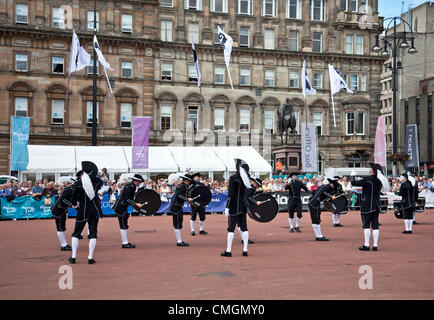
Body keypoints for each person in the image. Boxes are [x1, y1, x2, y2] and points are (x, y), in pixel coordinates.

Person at [69, 161, 104, 264]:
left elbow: (73, 199)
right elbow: (99, 186)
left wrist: (74, 203)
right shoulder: (97, 181)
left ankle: (73, 256)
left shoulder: (78, 183)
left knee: (76, 233)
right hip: (94, 210)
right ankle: (90, 257)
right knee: (93, 233)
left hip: (83, 210)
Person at [350, 163, 386, 251]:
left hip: (367, 204)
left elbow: (354, 183)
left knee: (366, 225)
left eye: (370, 168)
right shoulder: (379, 181)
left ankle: (366, 245)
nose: (369, 169)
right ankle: (375, 245)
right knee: (375, 225)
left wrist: (352, 175)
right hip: (376, 204)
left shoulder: (367, 179)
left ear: (373, 170)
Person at [221, 159, 251, 257]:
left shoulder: (234, 178)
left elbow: (230, 194)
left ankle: (228, 251)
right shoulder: (247, 178)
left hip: (234, 206)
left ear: (237, 168)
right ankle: (245, 250)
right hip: (243, 206)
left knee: (231, 229)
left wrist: (227, 207)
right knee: (244, 227)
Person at [112, 174, 145, 248]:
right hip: (120, 207)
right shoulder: (130, 186)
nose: (139, 183)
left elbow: (129, 198)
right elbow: (126, 199)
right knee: (123, 224)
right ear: (135, 180)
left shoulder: (131, 186)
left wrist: (135, 204)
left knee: (125, 224)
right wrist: (136, 204)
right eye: (139, 181)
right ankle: (124, 243)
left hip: (123, 207)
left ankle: (125, 242)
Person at [51, 177, 76, 251]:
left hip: (62, 210)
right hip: (58, 210)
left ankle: (64, 244)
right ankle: (63, 245)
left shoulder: (68, 189)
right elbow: (64, 200)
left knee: (62, 226)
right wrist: (72, 205)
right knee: (60, 227)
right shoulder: (68, 189)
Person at [169, 174, 194, 246]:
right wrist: (187, 199)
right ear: (187, 180)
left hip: (178, 206)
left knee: (179, 221)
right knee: (177, 223)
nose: (190, 182)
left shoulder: (184, 186)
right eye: (189, 181)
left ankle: (179, 240)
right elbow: (178, 195)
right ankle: (179, 241)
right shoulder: (182, 186)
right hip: (175, 207)